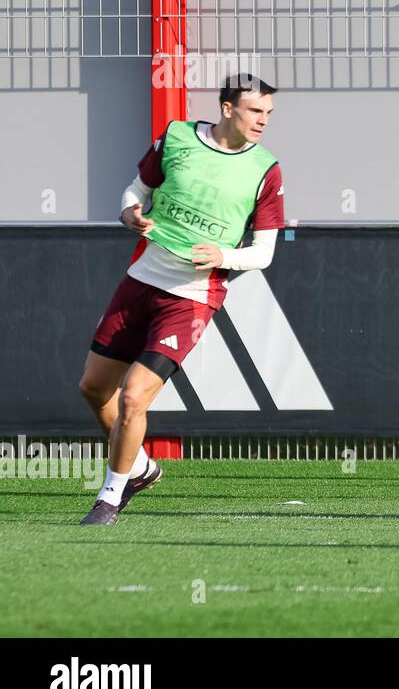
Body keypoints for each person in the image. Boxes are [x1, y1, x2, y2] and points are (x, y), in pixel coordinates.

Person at [79, 73, 285, 525]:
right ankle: (138, 468)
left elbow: (265, 251)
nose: (263, 121)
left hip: (192, 296)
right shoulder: (176, 137)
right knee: (94, 388)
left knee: (134, 397)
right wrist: (129, 213)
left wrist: (224, 254)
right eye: (255, 111)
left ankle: (110, 498)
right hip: (143, 278)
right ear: (227, 109)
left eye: (268, 113)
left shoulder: (265, 169)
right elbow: (136, 191)